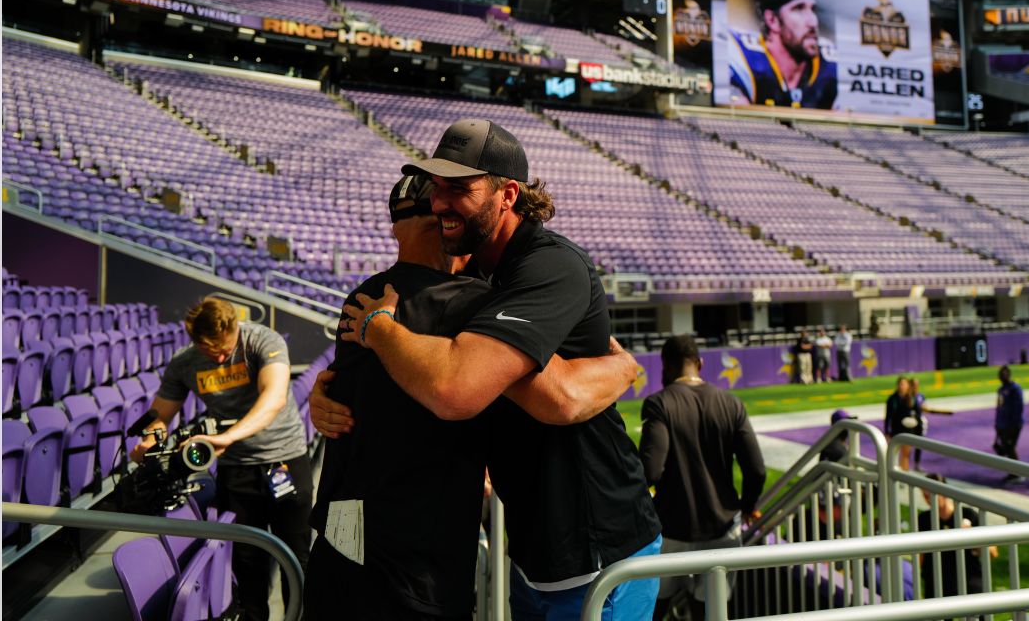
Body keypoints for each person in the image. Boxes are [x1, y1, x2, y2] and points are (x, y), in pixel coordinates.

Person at [341, 119, 662, 619]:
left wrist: (379, 329)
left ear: (507, 194)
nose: (440, 203)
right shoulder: (475, 272)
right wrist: (334, 396)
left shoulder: (549, 264)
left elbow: (469, 389)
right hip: (535, 542)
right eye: (437, 188)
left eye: (458, 189)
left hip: (598, 542)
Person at [304, 175, 494, 620]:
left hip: (343, 535)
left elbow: (345, 396)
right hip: (421, 556)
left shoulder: (366, 296)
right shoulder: (476, 302)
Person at [130, 298, 310, 621]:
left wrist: (228, 437)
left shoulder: (263, 341)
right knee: (247, 560)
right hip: (236, 470)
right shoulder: (184, 363)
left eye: (226, 350)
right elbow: (161, 415)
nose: (222, 358)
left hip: (284, 460)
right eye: (212, 354)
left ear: (234, 328)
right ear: (195, 340)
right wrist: (150, 439)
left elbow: (274, 398)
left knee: (295, 555)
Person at [640, 334, 766, 620]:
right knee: (710, 610)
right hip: (722, 527)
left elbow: (651, 470)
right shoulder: (731, 403)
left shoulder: (659, 403)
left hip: (672, 528)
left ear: (665, 366)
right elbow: (756, 468)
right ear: (700, 363)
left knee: (655, 607)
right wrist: (748, 505)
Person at [728, 0, 838, 109]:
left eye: (813, 9)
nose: (813, 22)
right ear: (772, 20)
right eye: (798, 8)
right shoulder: (741, 58)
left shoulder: (830, 64)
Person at [914, 474, 998, 600]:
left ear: (944, 491)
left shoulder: (968, 515)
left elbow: (992, 553)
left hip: (968, 578)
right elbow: (921, 556)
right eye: (926, 496)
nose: (929, 500)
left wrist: (971, 536)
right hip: (937, 580)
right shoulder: (924, 519)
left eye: (933, 495)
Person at [909, 377, 954, 472]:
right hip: (909, 424)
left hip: (919, 423)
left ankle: (916, 465)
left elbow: (925, 408)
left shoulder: (921, 396)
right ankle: (904, 466)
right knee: (906, 444)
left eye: (917, 385)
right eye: (913, 385)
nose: (916, 387)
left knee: (918, 444)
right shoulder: (907, 397)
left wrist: (941, 412)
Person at [994, 365, 1023, 482]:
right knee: (1007, 447)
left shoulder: (1015, 389)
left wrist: (1013, 426)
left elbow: (1018, 409)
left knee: (1010, 447)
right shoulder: (1001, 390)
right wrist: (997, 425)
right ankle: (1013, 472)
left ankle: (1016, 473)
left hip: (1012, 425)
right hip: (1002, 425)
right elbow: (999, 408)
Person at [884, 377, 920, 471]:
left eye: (903, 384)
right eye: (900, 384)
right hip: (896, 430)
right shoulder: (892, 399)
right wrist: (887, 432)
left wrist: (914, 422)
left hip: (908, 431)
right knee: (893, 454)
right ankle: (893, 472)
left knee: (906, 454)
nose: (901, 386)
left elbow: (918, 414)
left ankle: (904, 474)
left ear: (908, 386)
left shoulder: (912, 399)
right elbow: (888, 417)